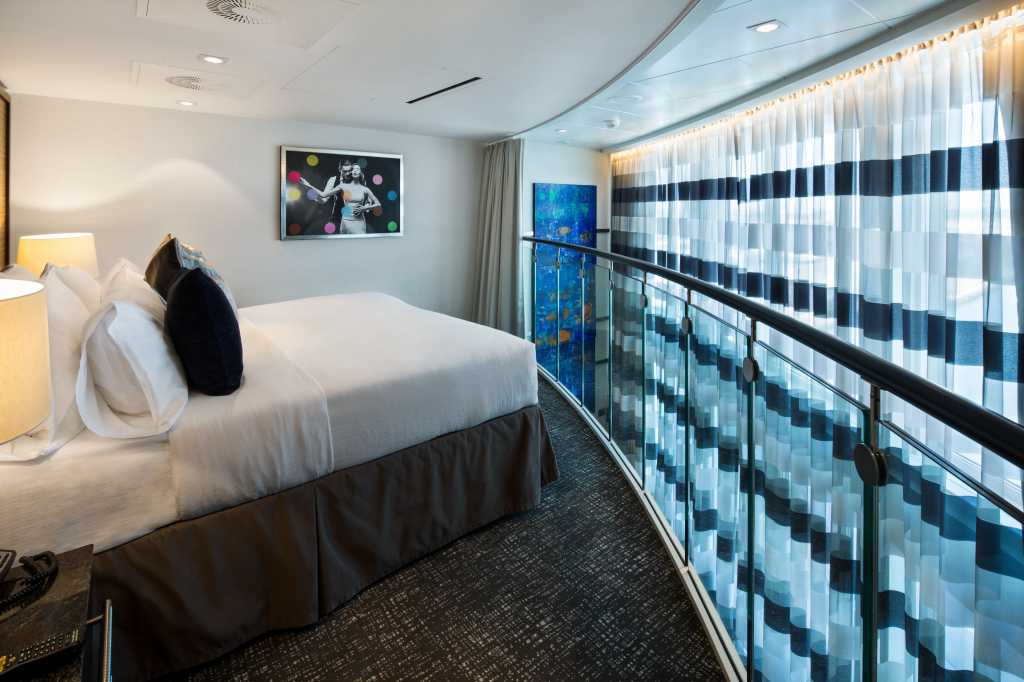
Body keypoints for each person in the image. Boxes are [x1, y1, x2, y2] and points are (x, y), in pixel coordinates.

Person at [303, 160, 381, 234]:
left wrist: (365, 207)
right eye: (344, 171)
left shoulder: (358, 180)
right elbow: (323, 199)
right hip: (336, 221)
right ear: (340, 169)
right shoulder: (334, 180)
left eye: (349, 171)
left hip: (356, 221)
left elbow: (368, 201)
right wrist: (309, 187)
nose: (347, 174)